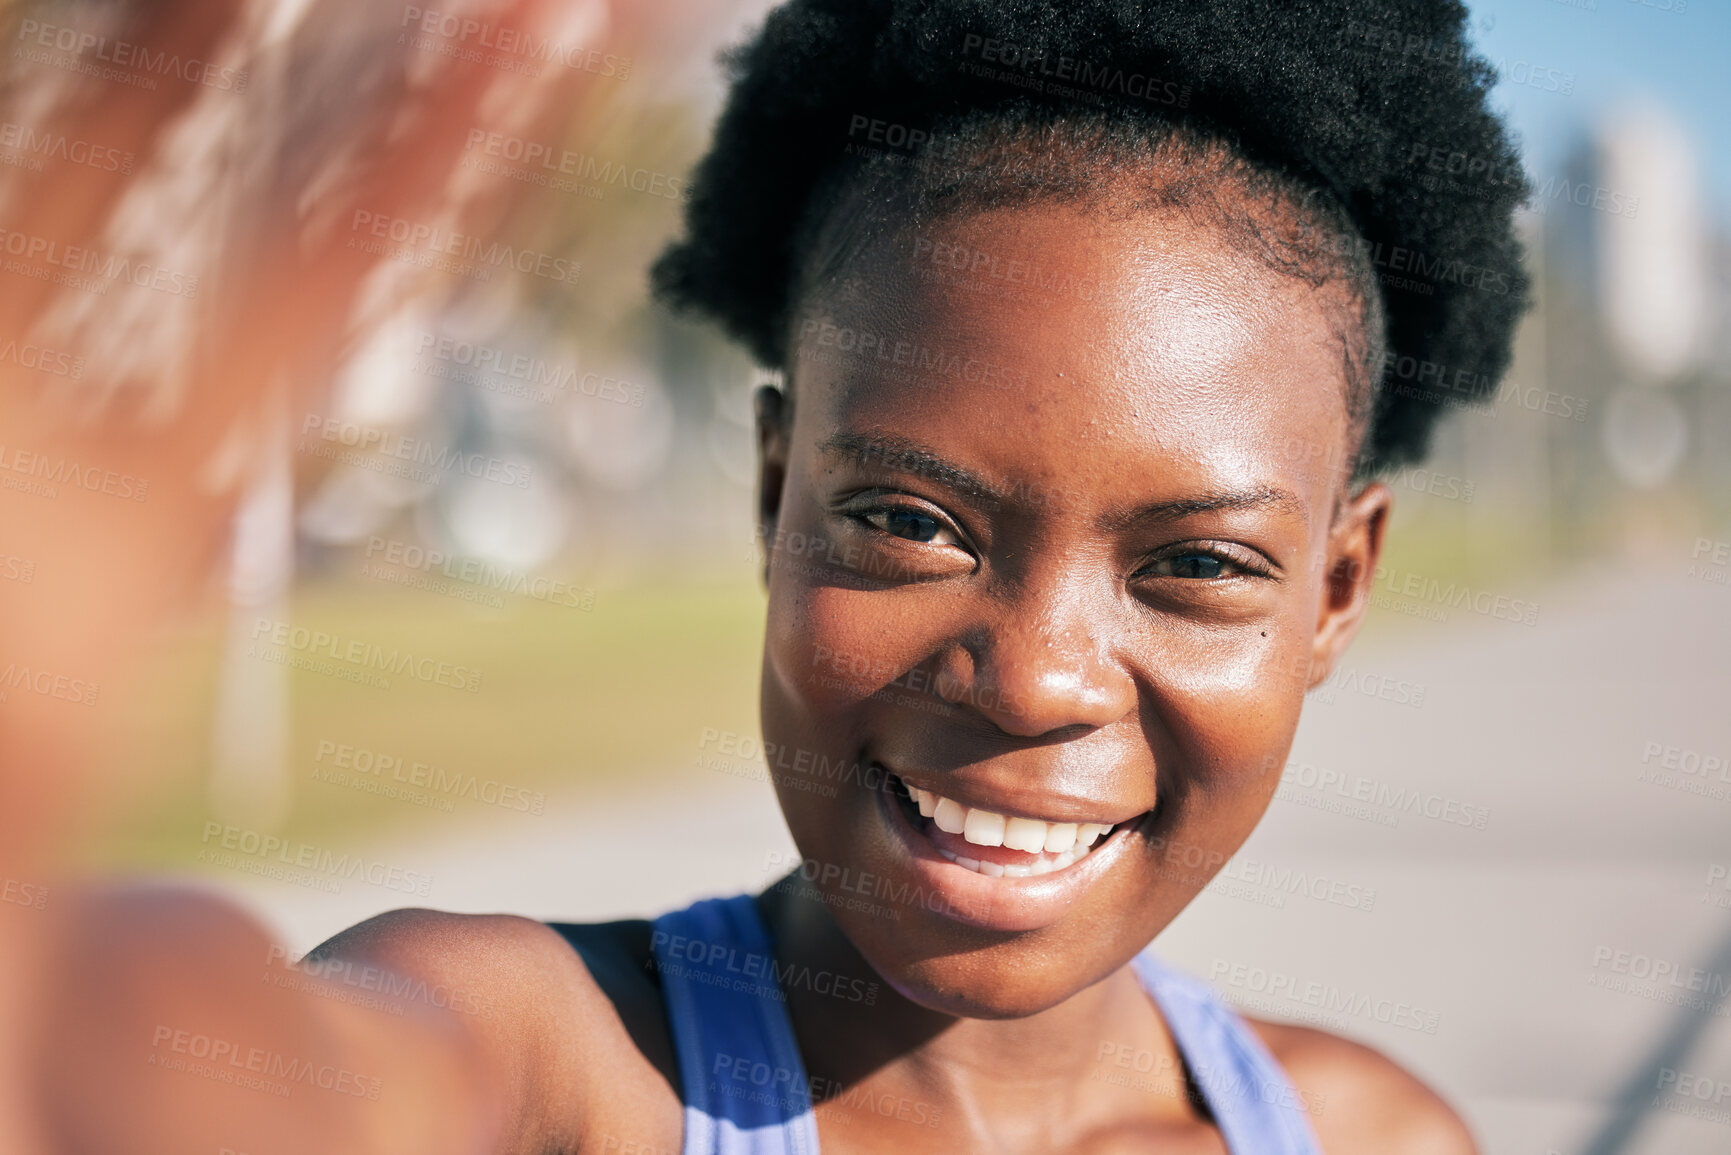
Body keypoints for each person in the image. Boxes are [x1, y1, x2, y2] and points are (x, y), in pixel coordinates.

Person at [314, 1, 1529, 1151]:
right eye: (910, 520)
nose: (1036, 683)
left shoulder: (1377, 1135)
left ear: (1335, 591)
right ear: (775, 492)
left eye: (1200, 562)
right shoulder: (548, 1072)